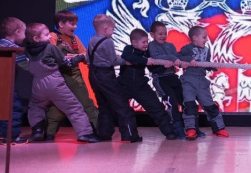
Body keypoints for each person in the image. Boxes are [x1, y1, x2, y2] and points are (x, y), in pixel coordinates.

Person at [24, 23, 99, 143]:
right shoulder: (50, 48)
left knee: (35, 106)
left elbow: (26, 65)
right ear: (36, 38)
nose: (50, 36)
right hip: (54, 83)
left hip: (37, 84)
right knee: (74, 108)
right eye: (46, 35)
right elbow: (67, 63)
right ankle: (85, 133)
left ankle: (37, 130)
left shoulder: (28, 50)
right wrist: (80, 57)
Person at [87, 14, 142, 142]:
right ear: (105, 29)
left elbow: (89, 59)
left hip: (93, 75)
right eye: (113, 29)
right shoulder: (108, 41)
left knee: (104, 105)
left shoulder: (92, 39)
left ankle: (104, 133)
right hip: (105, 75)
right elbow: (113, 61)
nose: (113, 32)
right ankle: (130, 134)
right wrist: (125, 61)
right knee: (121, 104)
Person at [46, 10, 99, 141]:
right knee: (59, 108)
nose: (75, 27)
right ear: (61, 24)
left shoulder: (75, 39)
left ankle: (98, 130)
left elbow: (86, 55)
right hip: (57, 77)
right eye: (72, 24)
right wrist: (64, 58)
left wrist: (79, 57)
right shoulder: (52, 37)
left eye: (76, 24)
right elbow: (48, 56)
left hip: (74, 77)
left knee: (86, 104)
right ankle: (48, 133)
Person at [118, 29, 178, 140]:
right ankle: (129, 136)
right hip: (124, 86)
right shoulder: (128, 49)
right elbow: (129, 58)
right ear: (134, 42)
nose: (146, 44)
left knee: (157, 107)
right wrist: (145, 61)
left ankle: (169, 132)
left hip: (141, 86)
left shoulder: (146, 53)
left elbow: (153, 68)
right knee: (120, 110)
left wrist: (163, 67)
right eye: (144, 42)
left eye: (147, 41)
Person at [178, 26, 229, 139]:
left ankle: (218, 129)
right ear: (195, 38)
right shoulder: (187, 48)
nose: (206, 40)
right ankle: (191, 129)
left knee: (210, 105)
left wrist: (213, 66)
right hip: (188, 81)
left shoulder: (207, 50)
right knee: (189, 105)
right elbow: (178, 56)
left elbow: (206, 63)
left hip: (201, 81)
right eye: (204, 37)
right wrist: (188, 59)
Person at [148, 21, 186, 140]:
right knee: (171, 103)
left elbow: (177, 58)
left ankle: (190, 126)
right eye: (160, 34)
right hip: (160, 78)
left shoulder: (171, 45)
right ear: (152, 34)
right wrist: (172, 58)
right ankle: (177, 128)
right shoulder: (151, 46)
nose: (163, 36)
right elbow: (156, 57)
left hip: (172, 76)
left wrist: (183, 60)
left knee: (185, 100)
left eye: (165, 33)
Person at [0, 17, 28, 145]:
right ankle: (11, 136)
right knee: (14, 108)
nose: (25, 37)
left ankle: (2, 134)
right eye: (24, 33)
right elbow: (26, 66)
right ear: (17, 32)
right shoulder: (13, 48)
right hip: (7, 84)